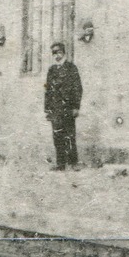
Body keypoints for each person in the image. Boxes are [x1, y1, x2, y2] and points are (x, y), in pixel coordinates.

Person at [43, 42, 83, 170]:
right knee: (57, 136)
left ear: (64, 53)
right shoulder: (51, 70)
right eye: (54, 53)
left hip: (68, 107)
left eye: (59, 52)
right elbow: (48, 90)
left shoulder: (71, 68)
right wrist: (47, 109)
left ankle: (73, 163)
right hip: (55, 109)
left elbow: (78, 88)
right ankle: (60, 164)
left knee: (69, 135)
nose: (57, 55)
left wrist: (76, 107)